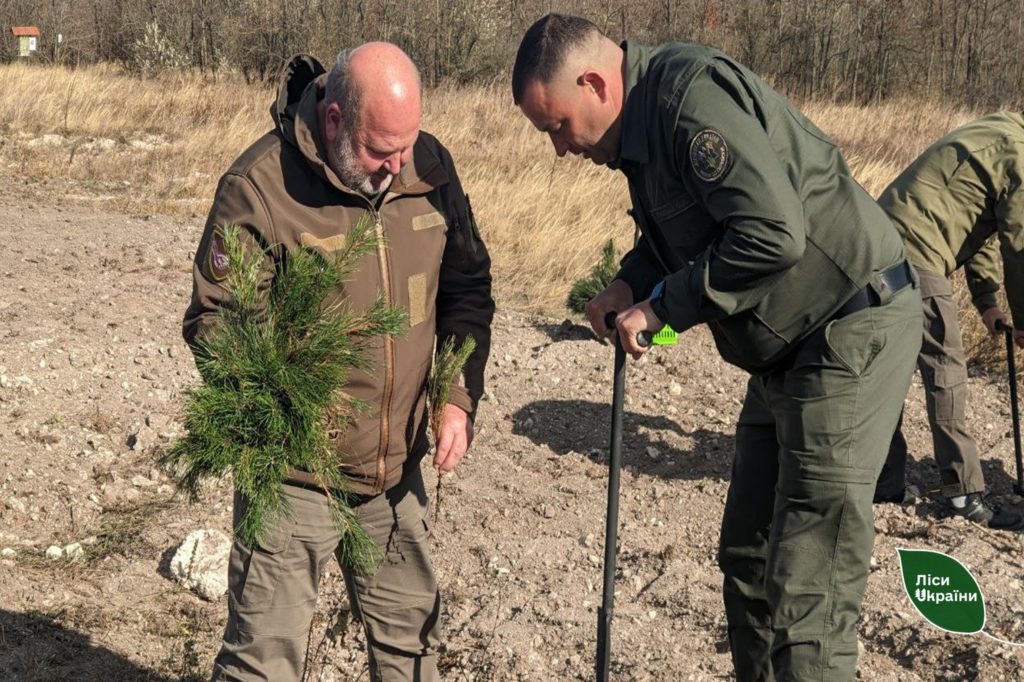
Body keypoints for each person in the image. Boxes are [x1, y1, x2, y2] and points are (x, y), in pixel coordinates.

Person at [512, 14, 921, 681]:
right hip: (783, 348)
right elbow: (694, 232)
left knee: (807, 595)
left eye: (556, 126)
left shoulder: (685, 103)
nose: (559, 149)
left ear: (593, 83)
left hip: (846, 330)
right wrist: (629, 284)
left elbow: (772, 235)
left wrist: (663, 307)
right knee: (749, 561)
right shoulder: (642, 128)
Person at [183, 43, 494, 681]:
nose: (399, 165)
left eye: (406, 145)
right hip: (295, 478)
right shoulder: (261, 188)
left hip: (395, 476)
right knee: (261, 663)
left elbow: (468, 290)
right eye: (382, 150)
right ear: (333, 122)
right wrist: (286, 409)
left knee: (414, 652)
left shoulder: (429, 167)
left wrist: (458, 398)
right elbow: (216, 323)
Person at [871, 112, 1024, 530]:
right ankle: (962, 495)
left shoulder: (998, 132)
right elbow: (1019, 245)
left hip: (876, 240)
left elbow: (971, 222)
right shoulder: (1021, 157)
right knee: (946, 370)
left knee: (888, 369)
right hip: (915, 252)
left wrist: (988, 303)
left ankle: (882, 482)